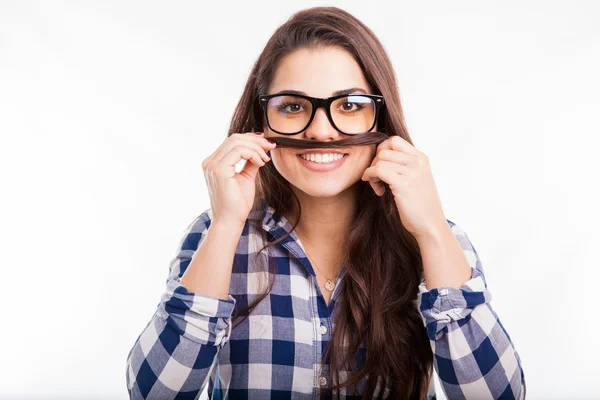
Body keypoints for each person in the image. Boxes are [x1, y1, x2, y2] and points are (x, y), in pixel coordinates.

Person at [125, 6, 526, 399]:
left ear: (380, 118)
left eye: (349, 106)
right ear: (262, 121)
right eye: (293, 107)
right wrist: (227, 224)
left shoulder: (435, 239)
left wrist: (433, 230)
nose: (320, 132)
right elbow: (155, 393)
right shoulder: (216, 234)